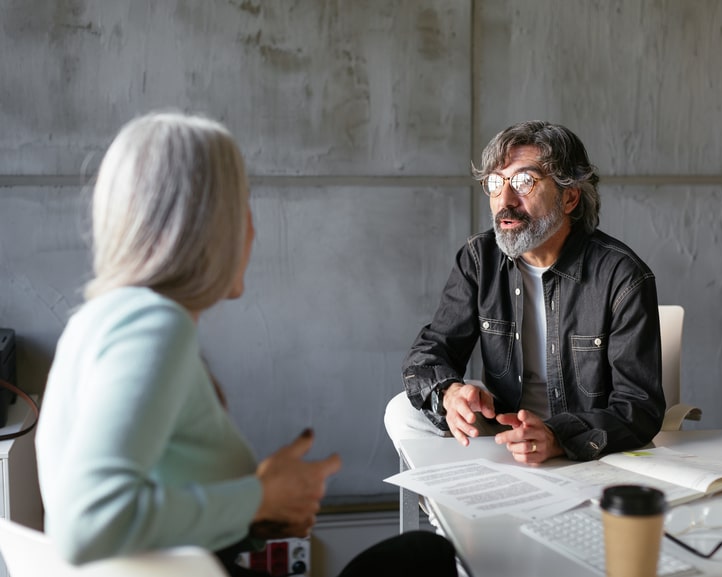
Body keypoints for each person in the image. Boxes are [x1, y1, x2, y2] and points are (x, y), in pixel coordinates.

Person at [35, 112, 457, 577]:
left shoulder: (101, 318)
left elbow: (145, 523)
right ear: (203, 222)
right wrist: (258, 496)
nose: (253, 230)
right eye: (243, 206)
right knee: (426, 556)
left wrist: (258, 514)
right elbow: (86, 527)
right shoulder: (153, 325)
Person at [384, 120, 665, 465]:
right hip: (505, 430)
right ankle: (451, 510)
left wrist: (557, 435)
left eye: (523, 182)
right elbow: (429, 353)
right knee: (402, 410)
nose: (505, 200)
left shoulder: (622, 276)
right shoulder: (478, 259)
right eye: (495, 183)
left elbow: (639, 406)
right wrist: (450, 393)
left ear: (570, 197)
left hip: (584, 443)